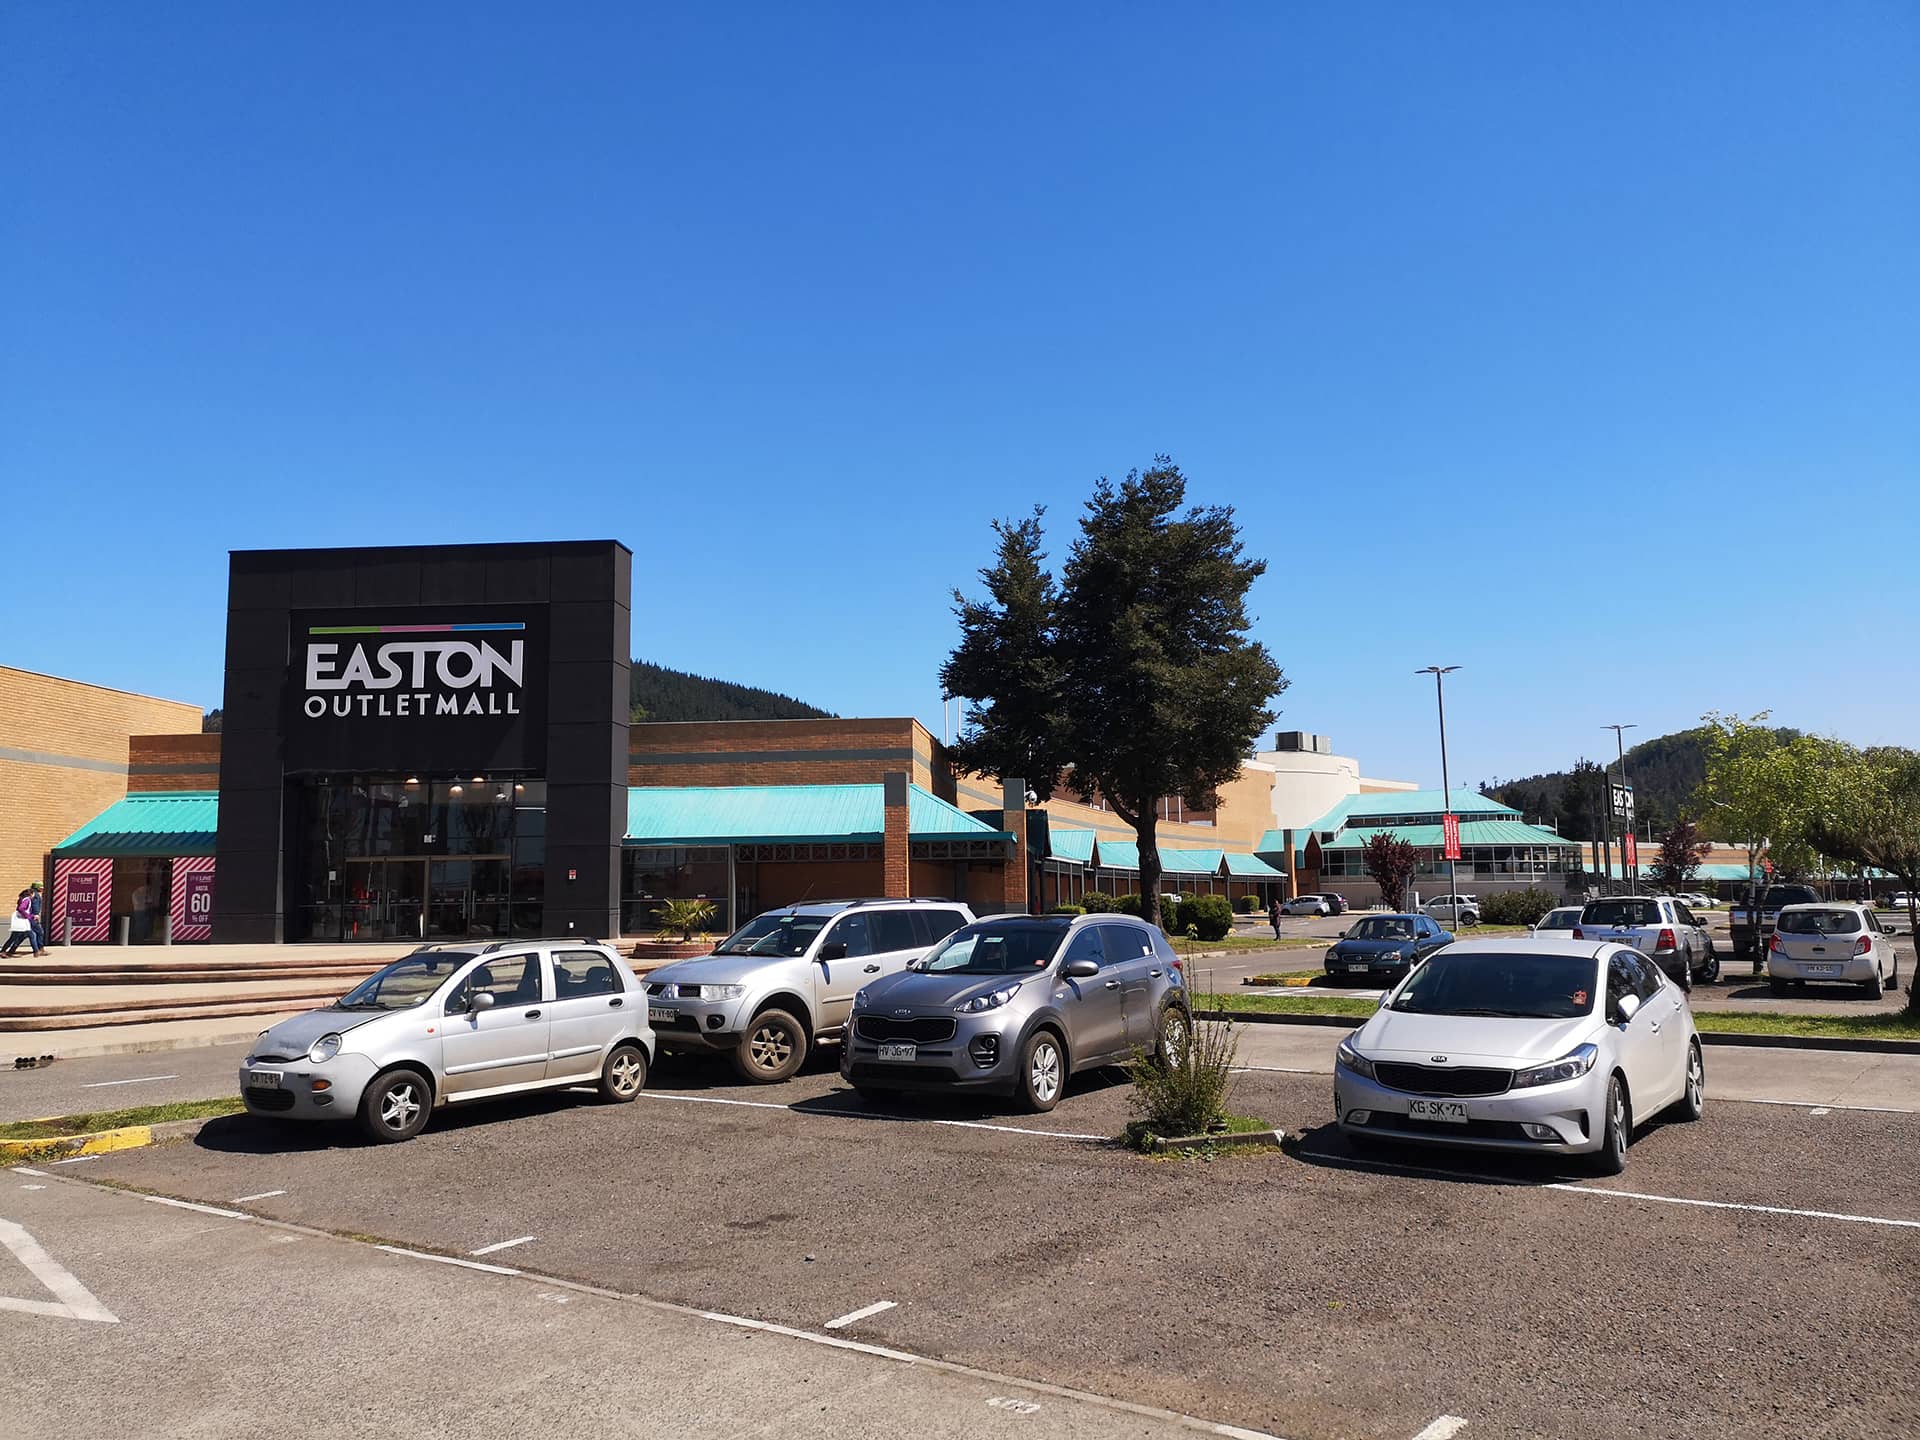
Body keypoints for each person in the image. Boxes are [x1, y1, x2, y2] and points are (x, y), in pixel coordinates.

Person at [2, 889, 31, 957]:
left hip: (18, 919)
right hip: (21, 920)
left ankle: (9, 951)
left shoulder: (21, 899)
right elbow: (21, 908)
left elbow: (19, 908)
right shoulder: (27, 900)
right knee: (15, 936)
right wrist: (27, 916)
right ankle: (4, 951)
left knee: (18, 936)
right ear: (30, 894)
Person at [29, 881, 47, 956]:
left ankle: (10, 950)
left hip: (30, 917)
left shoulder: (33, 893)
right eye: (41, 887)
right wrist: (36, 914)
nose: (42, 889)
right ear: (37, 887)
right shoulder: (36, 895)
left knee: (23, 935)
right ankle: (40, 949)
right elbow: (35, 905)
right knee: (40, 932)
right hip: (33, 917)